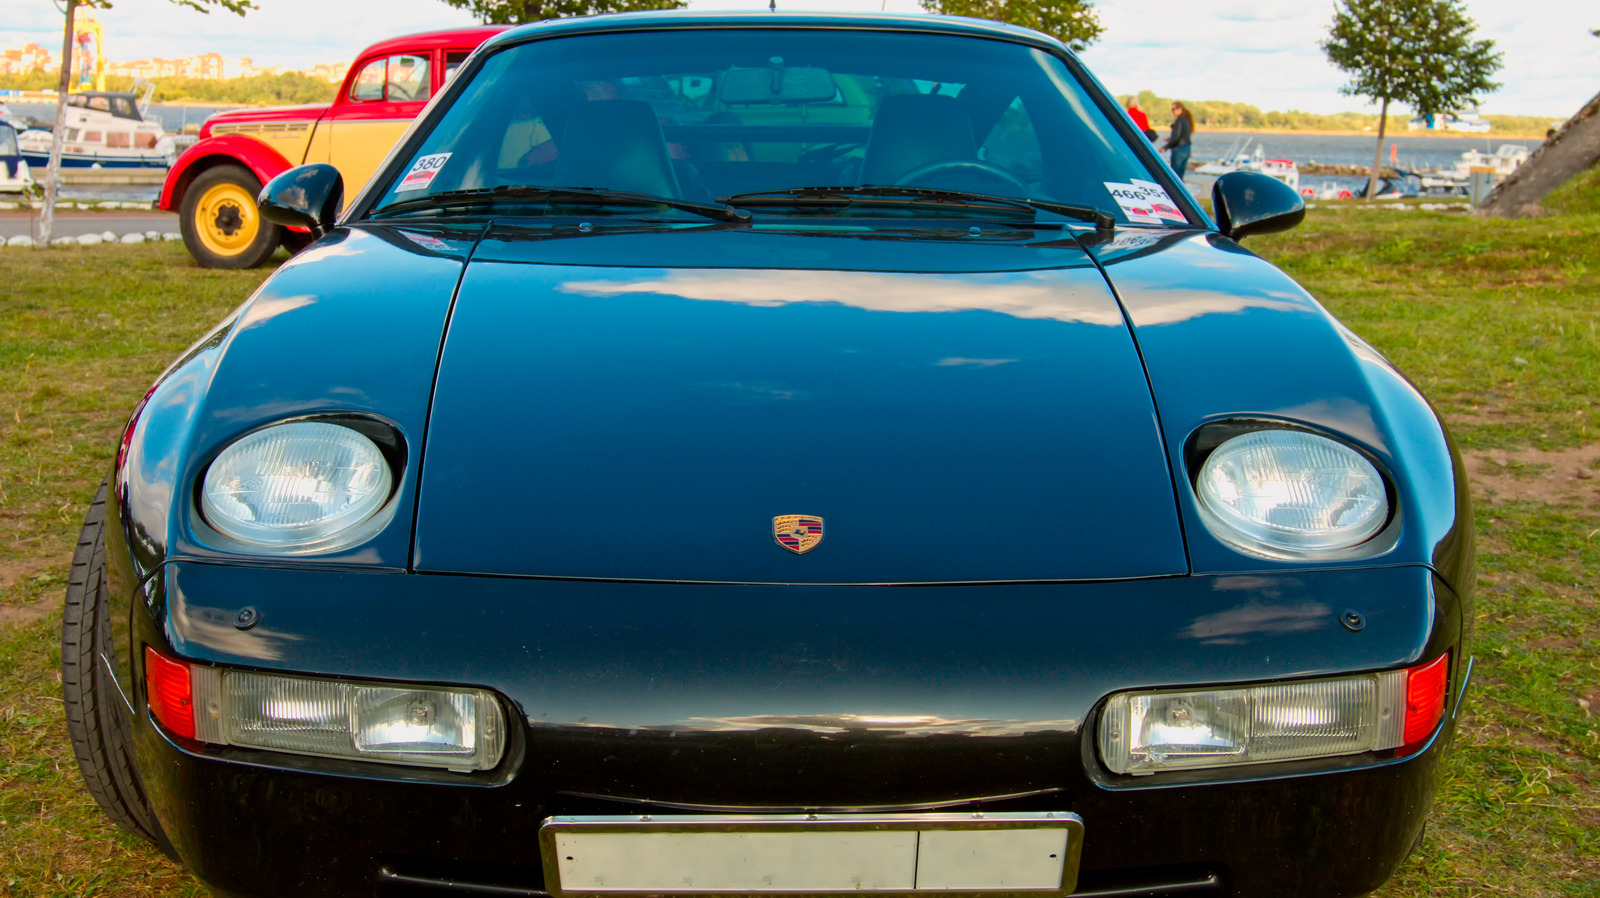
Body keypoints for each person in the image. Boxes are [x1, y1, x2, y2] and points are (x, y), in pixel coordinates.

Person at [1164, 101, 1194, 180]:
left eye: (1175, 109)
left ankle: (1174, 191)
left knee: (1175, 176)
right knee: (1180, 175)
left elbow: (1176, 137)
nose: (1173, 111)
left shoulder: (1179, 120)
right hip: (1186, 148)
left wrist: (1165, 147)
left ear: (1181, 109)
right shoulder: (1187, 120)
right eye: (1172, 109)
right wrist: (1170, 139)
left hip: (1179, 149)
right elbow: (1184, 136)